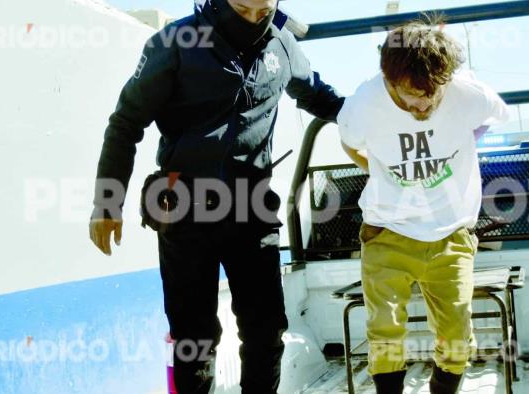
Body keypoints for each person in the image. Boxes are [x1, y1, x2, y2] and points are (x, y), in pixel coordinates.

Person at [88, 0, 344, 393]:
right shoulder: (175, 42)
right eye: (243, 10)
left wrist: (388, 118)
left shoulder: (283, 46)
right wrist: (107, 203)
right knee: (195, 338)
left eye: (263, 12)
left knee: (266, 331)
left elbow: (324, 100)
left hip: (251, 208)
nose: (254, 20)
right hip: (183, 208)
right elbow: (125, 123)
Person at [337, 17, 509, 394]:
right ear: (389, 79)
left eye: (434, 92)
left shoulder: (469, 94)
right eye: (412, 94)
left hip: (451, 231)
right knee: (384, 329)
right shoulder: (364, 103)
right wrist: (376, 170)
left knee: (457, 334)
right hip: (386, 231)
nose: (424, 102)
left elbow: (497, 117)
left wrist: (466, 142)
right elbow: (348, 142)